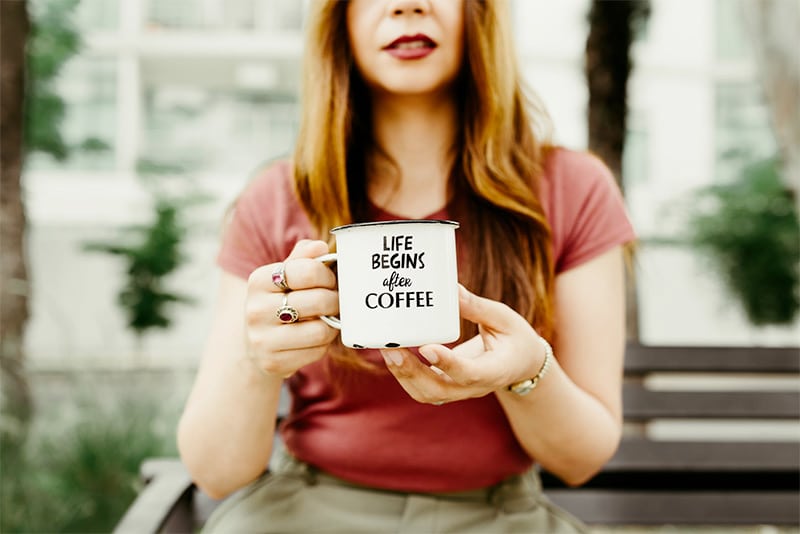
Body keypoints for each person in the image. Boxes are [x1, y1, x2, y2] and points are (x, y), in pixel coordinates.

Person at [177, 0, 635, 532]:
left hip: (499, 516)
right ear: (339, 19)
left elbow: (581, 459)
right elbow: (216, 474)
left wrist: (527, 373)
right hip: (306, 511)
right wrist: (256, 363)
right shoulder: (276, 198)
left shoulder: (572, 190)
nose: (407, 6)